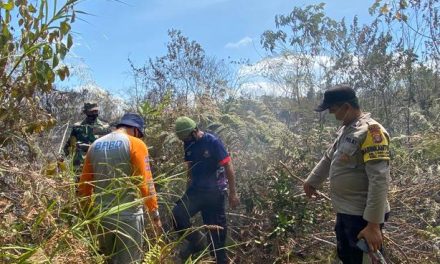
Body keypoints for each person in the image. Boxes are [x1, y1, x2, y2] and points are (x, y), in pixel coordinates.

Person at [303, 85, 391, 264]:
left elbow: (379, 179)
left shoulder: (371, 132)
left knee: (364, 260)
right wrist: (312, 181)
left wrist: (373, 225)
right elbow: (329, 158)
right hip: (345, 211)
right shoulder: (347, 130)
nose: (331, 114)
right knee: (347, 257)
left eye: (333, 109)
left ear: (346, 107)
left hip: (363, 216)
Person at [78, 112, 161, 264]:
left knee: (108, 260)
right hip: (129, 219)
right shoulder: (135, 143)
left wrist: (88, 217)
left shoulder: (94, 146)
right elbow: (146, 183)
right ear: (136, 130)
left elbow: (84, 187)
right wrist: (155, 214)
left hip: (102, 217)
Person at [172, 116, 240, 264]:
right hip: (196, 192)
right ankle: (196, 241)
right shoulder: (188, 143)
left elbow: (228, 165)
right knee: (177, 214)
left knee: (216, 239)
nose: (186, 142)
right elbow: (190, 169)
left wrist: (233, 193)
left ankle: (219, 259)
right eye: (183, 140)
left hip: (214, 194)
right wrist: (187, 190)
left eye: (188, 138)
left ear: (195, 131)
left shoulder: (212, 142)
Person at [63, 102, 111, 170]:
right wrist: (61, 158)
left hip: (99, 163)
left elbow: (110, 146)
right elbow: (69, 144)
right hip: (79, 164)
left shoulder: (105, 127)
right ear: (85, 112)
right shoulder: (78, 126)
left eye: (96, 111)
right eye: (92, 111)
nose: (94, 113)